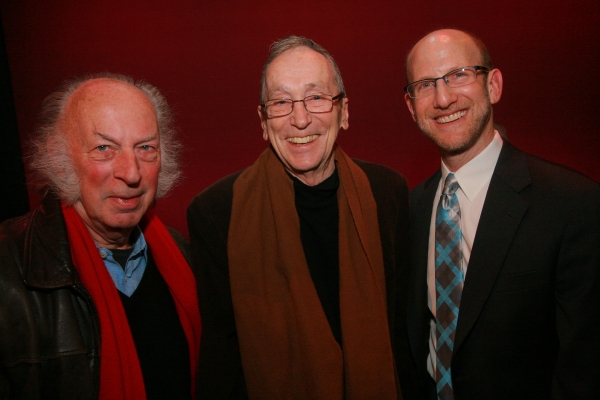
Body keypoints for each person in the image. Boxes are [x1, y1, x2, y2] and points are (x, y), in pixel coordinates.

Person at [188, 36, 413, 399]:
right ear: (263, 121)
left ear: (345, 111)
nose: (301, 118)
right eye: (281, 102)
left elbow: (403, 333)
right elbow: (221, 358)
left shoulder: (387, 193)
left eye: (316, 97)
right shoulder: (217, 212)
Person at [403, 29, 600, 399]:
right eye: (426, 84)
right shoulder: (408, 211)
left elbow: (584, 368)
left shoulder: (573, 204)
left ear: (493, 85)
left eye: (459, 75)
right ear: (411, 106)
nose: (443, 98)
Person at [0, 73, 201, 399]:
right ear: (58, 157)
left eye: (146, 147)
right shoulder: (11, 270)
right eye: (104, 148)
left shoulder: (182, 255)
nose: (131, 172)